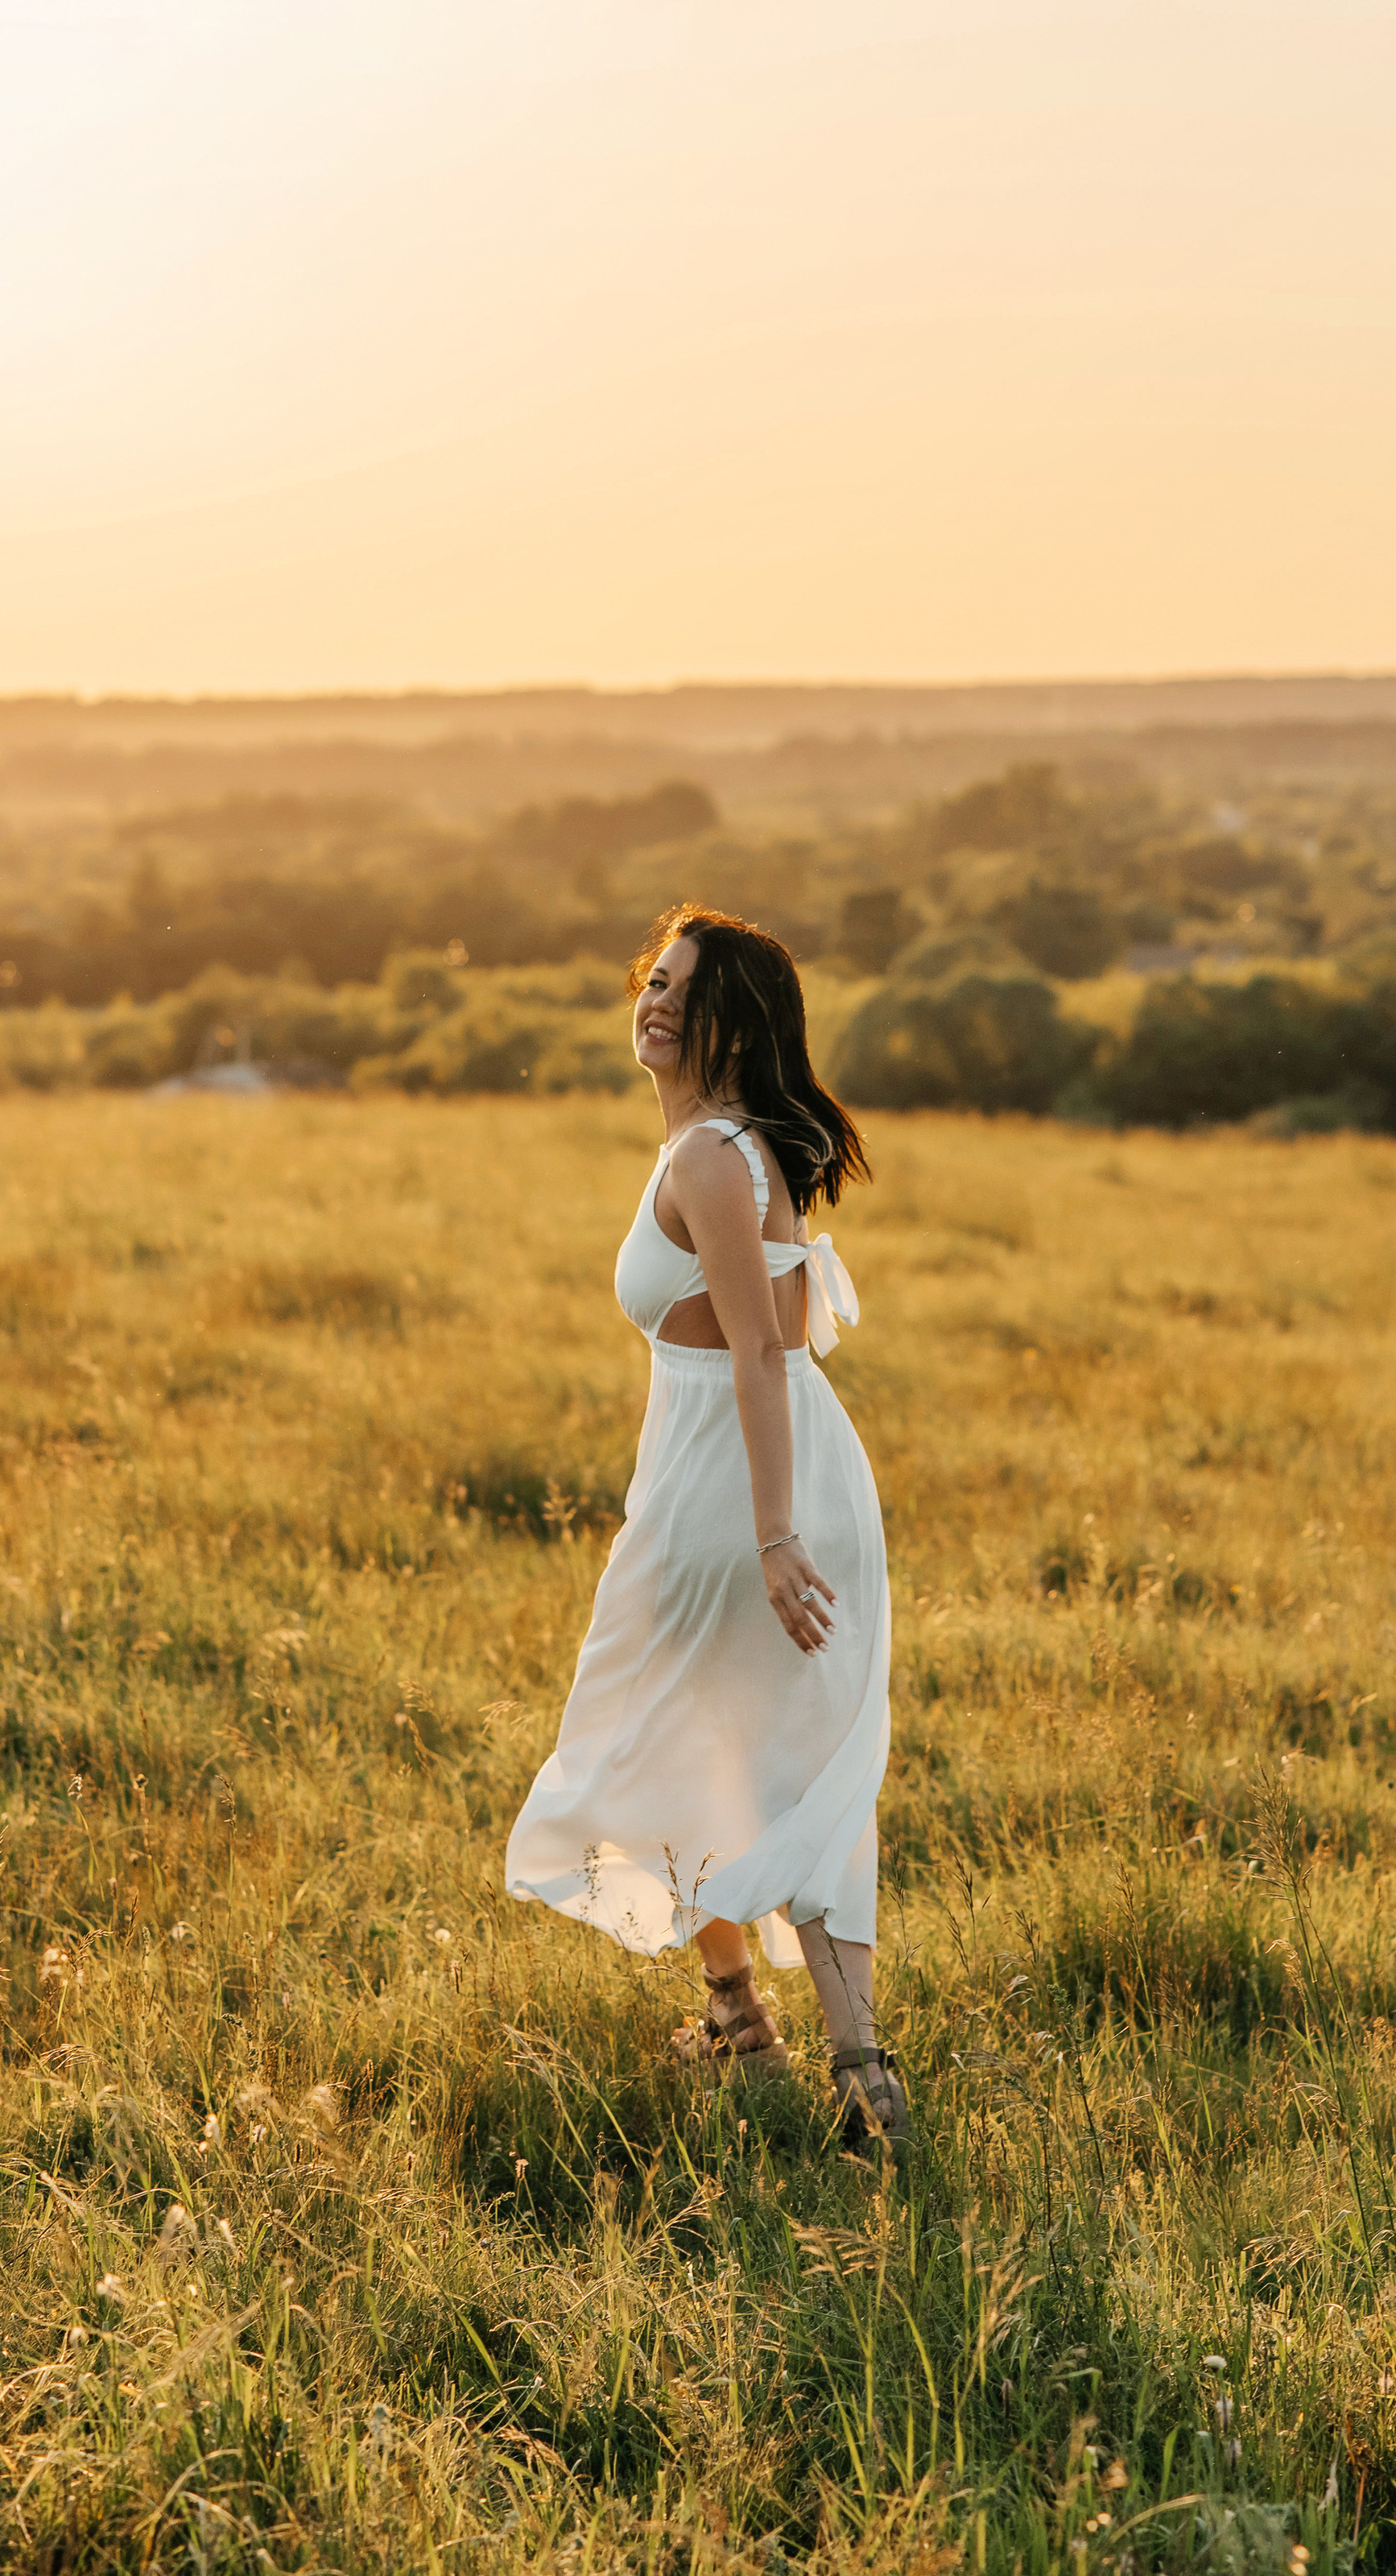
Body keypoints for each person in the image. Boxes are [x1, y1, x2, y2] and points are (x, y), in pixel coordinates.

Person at [505, 903, 907, 2147]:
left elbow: (758, 1359)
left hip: (743, 1487)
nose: (658, 1002)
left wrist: (775, 1537)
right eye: (655, 980)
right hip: (763, 1478)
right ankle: (817, 2056)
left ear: (739, 1025)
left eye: (688, 989)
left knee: (677, 1744)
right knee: (756, 1756)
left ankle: (767, 2026)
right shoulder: (728, 1150)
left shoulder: (707, 1160)